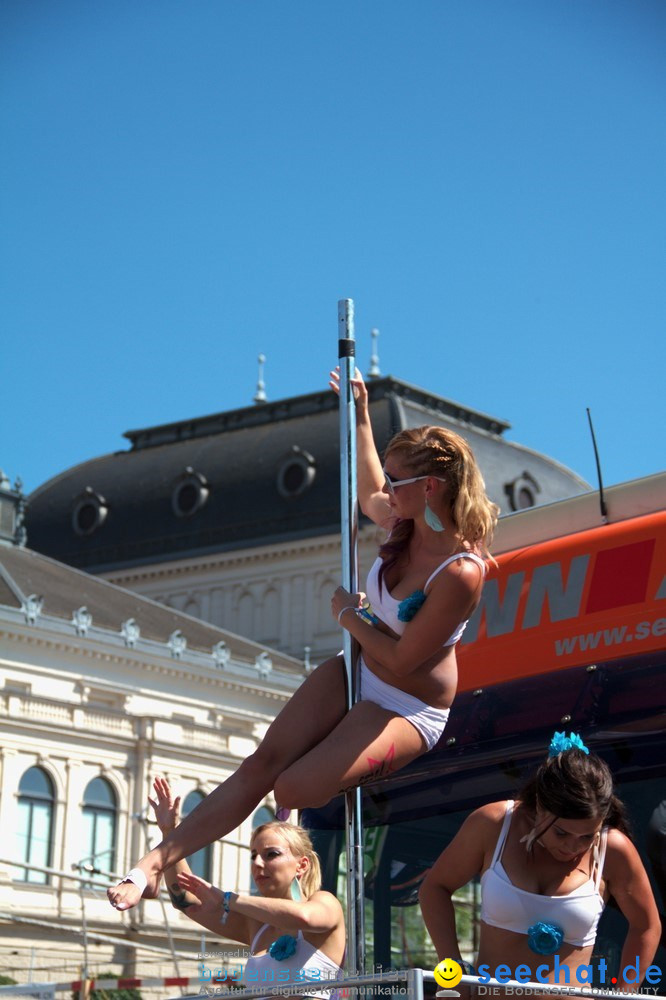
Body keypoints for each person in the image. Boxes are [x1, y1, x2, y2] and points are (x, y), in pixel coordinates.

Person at [107, 369, 498, 911]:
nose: (389, 489)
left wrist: (348, 614)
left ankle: (323, 817)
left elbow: (405, 658)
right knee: (262, 764)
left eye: (398, 480)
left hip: (409, 705)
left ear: (429, 487)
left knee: (290, 788)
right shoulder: (404, 523)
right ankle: (153, 863)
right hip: (359, 667)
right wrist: (359, 414)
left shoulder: (460, 572)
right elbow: (367, 493)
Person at [419, 733, 661, 995]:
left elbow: (647, 926)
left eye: (586, 837)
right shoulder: (494, 824)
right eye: (561, 833)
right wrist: (454, 973)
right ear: (540, 807)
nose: (573, 847)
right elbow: (435, 888)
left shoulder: (612, 848)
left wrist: (625, 994)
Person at [149, 776, 345, 998]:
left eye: (271, 854)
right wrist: (170, 834)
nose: (258, 863)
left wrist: (227, 899)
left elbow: (305, 918)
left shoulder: (325, 902)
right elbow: (185, 900)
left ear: (302, 865)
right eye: (254, 856)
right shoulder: (255, 925)